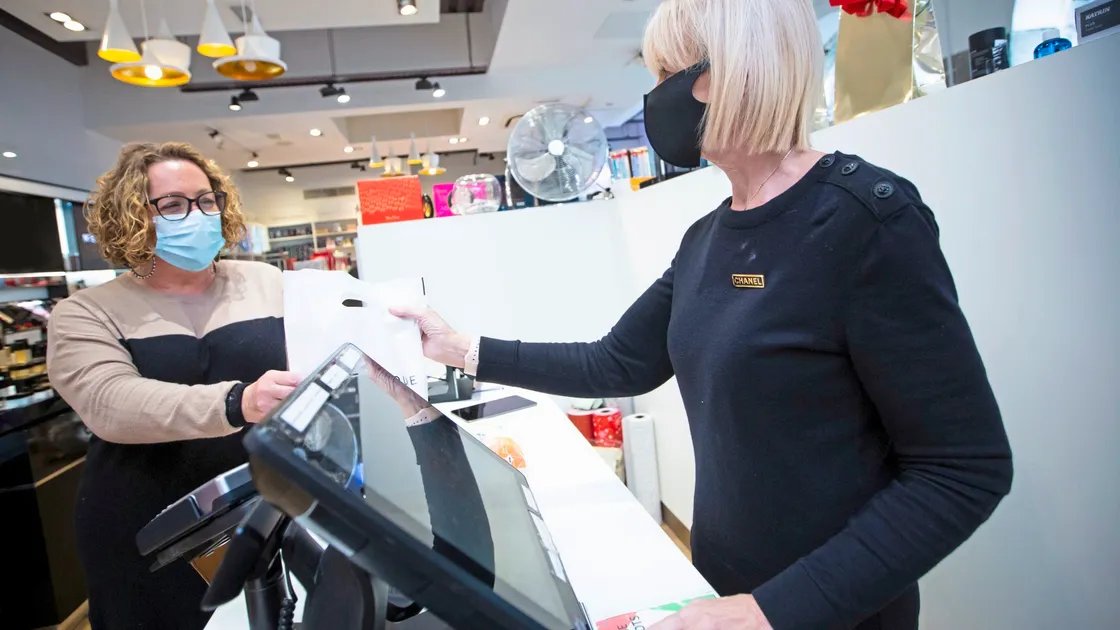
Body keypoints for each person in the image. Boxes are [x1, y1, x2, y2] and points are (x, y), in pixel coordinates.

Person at [392, 1, 1014, 628]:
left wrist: (768, 612)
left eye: (665, 73)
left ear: (730, 73)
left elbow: (962, 470)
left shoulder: (867, 220)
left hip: (825, 610)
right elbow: (616, 362)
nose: (654, 96)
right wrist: (460, 349)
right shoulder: (706, 239)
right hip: (718, 589)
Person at [47, 142, 300, 629]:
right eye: (173, 204)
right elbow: (110, 403)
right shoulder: (86, 311)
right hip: (146, 522)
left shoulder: (266, 282)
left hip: (262, 512)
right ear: (132, 215)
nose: (198, 215)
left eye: (207, 200)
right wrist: (238, 401)